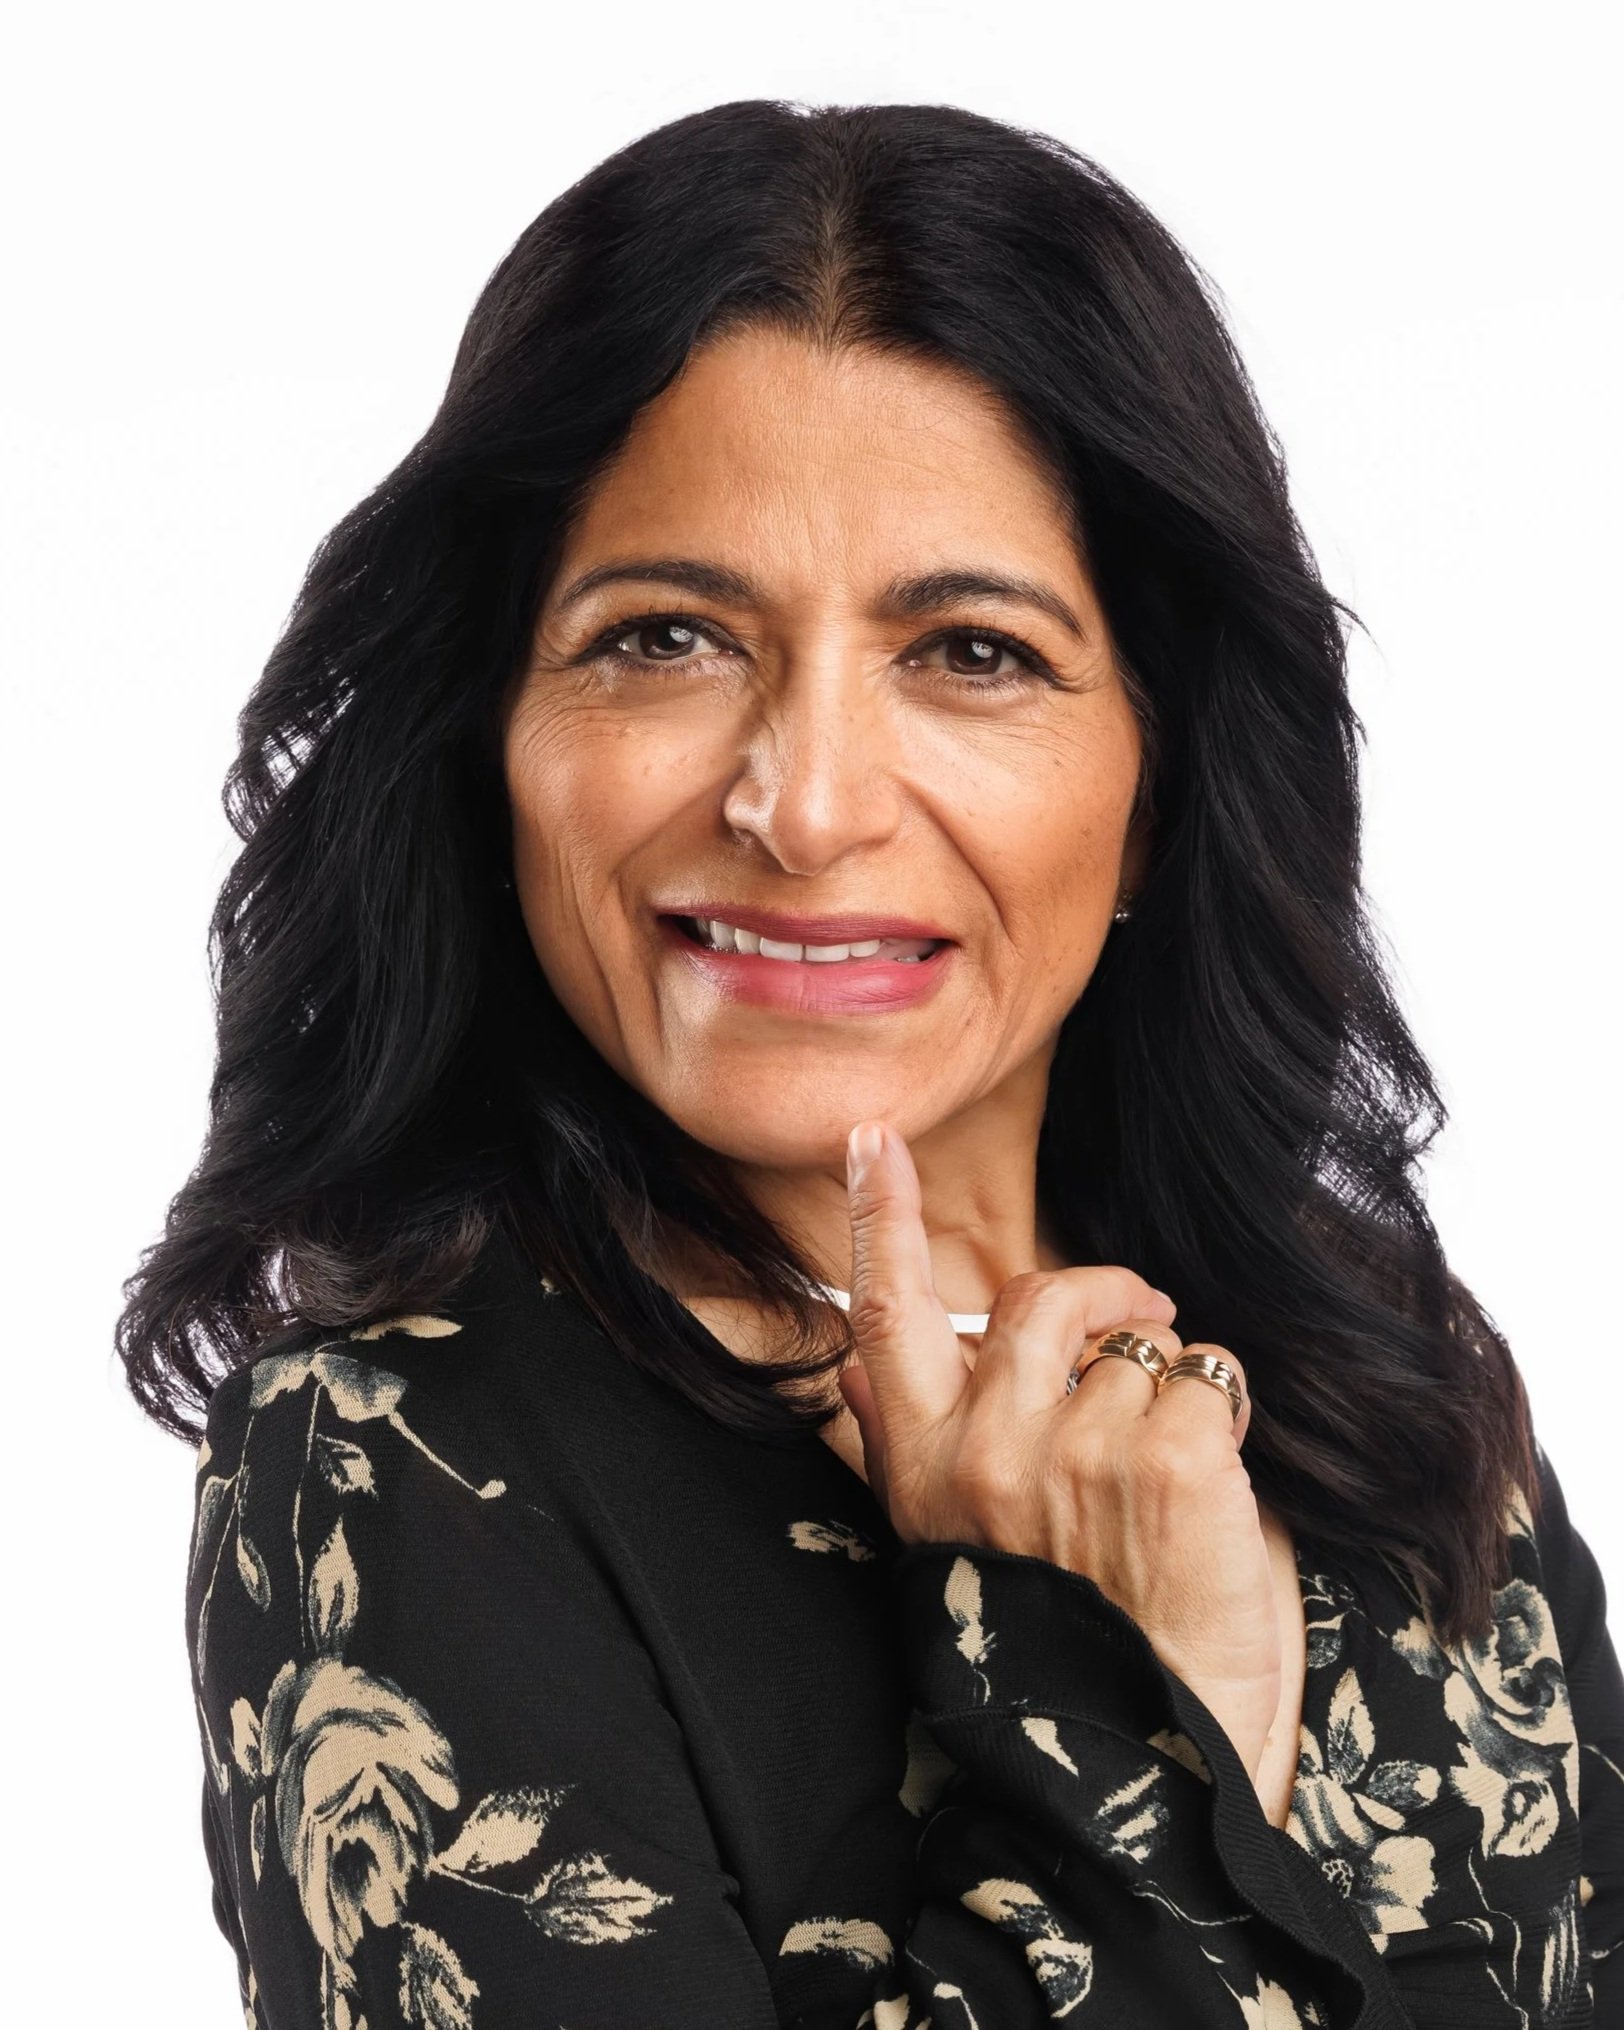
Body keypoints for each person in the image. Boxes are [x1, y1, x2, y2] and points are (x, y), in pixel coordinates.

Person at [126, 100, 1622, 2027]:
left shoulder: (1392, 1385)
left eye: (973, 654)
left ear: (1160, 782)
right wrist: (1136, 1703)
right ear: (487, 739)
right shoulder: (395, 1460)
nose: (805, 804)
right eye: (662, 636)